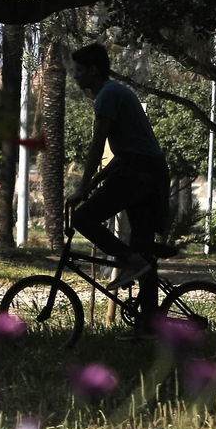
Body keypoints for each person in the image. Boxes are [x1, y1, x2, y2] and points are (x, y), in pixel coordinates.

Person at [66, 44, 170, 307]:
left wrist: (81, 188)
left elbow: (97, 146)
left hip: (137, 173)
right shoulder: (118, 92)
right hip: (149, 171)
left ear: (93, 70)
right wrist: (96, 181)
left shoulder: (107, 95)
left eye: (79, 70)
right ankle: (148, 323)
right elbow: (127, 151)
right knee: (143, 250)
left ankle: (128, 261)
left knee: (83, 217)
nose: (74, 75)